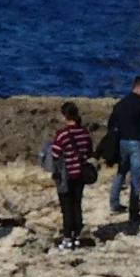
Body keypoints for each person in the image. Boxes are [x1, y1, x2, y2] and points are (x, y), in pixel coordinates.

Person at [107, 76, 140, 231]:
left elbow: (111, 124)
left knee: (120, 172)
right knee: (136, 176)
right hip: (137, 143)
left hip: (121, 142)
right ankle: (134, 210)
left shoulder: (120, 105)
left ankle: (114, 202)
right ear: (139, 87)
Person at [50, 102, 95, 250]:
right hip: (80, 173)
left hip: (66, 173)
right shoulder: (84, 133)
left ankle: (67, 237)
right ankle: (77, 234)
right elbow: (89, 152)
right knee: (77, 204)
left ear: (65, 116)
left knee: (66, 206)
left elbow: (55, 153)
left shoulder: (62, 134)